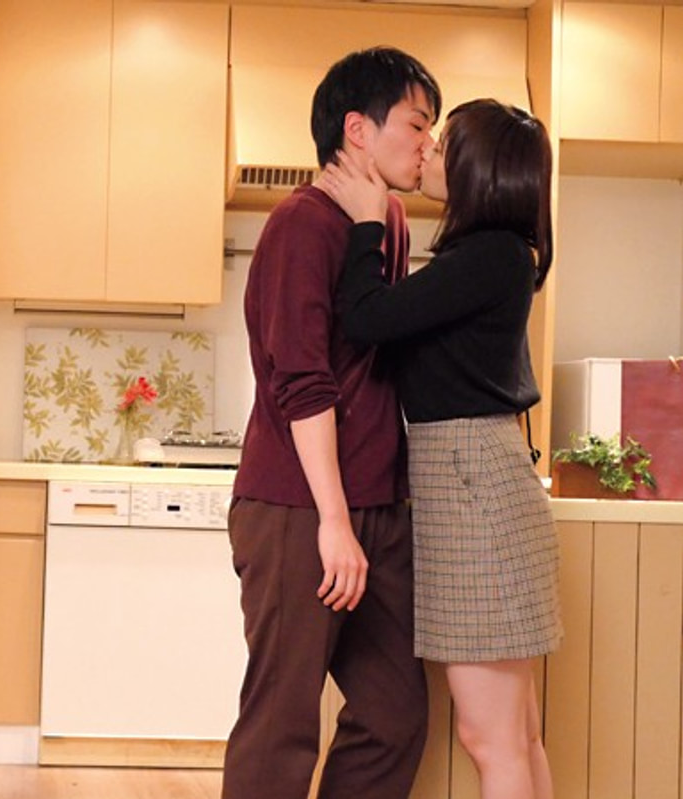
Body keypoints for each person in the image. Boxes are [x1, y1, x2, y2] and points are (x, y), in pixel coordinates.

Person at [327, 99, 562, 799]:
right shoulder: (494, 256)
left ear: (477, 169)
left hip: (471, 488)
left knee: (494, 739)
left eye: (444, 140)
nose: (428, 148)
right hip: (479, 480)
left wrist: (367, 223)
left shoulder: (487, 254)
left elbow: (367, 319)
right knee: (515, 736)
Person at [223, 47, 441, 799]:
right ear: (357, 128)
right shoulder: (300, 224)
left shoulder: (386, 222)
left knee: (394, 715)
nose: (427, 144)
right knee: (282, 723)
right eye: (417, 124)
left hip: (379, 506)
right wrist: (334, 522)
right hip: (300, 508)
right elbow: (303, 382)